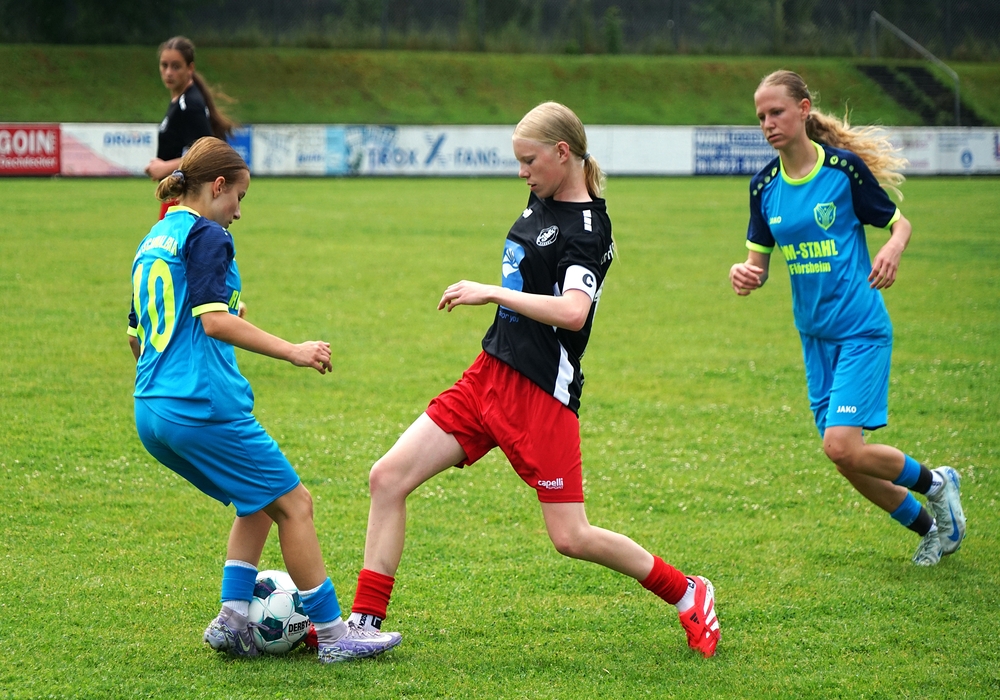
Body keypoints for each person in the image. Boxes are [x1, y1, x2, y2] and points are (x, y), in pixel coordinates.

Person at [341, 102, 720, 659]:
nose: (522, 172)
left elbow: (573, 312)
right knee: (388, 477)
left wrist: (490, 292)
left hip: (541, 392)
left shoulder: (587, 229)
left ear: (562, 153)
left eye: (529, 160)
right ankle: (363, 625)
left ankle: (688, 591)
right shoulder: (542, 197)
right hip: (488, 375)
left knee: (571, 536)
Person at [127, 136, 401, 662]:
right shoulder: (208, 234)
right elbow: (213, 322)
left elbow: (139, 337)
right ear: (218, 186)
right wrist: (294, 350)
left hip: (151, 410)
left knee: (256, 501)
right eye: (239, 197)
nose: (238, 212)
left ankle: (232, 620)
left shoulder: (154, 237)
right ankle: (336, 636)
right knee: (295, 505)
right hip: (201, 406)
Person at [728, 70, 967, 566]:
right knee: (845, 459)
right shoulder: (764, 186)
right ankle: (930, 530)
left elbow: (899, 224)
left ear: (803, 109)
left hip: (860, 329)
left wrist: (892, 249)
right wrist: (745, 273)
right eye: (761, 116)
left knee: (841, 446)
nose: (768, 123)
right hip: (814, 337)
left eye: (776, 112)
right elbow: (758, 265)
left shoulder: (842, 170)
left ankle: (937, 483)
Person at [145, 36, 236, 220]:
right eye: (164, 65)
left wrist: (164, 167)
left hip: (185, 199)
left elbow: (207, 155)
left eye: (176, 66)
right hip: (177, 195)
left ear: (190, 68)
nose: (168, 72)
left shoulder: (189, 104)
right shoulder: (180, 101)